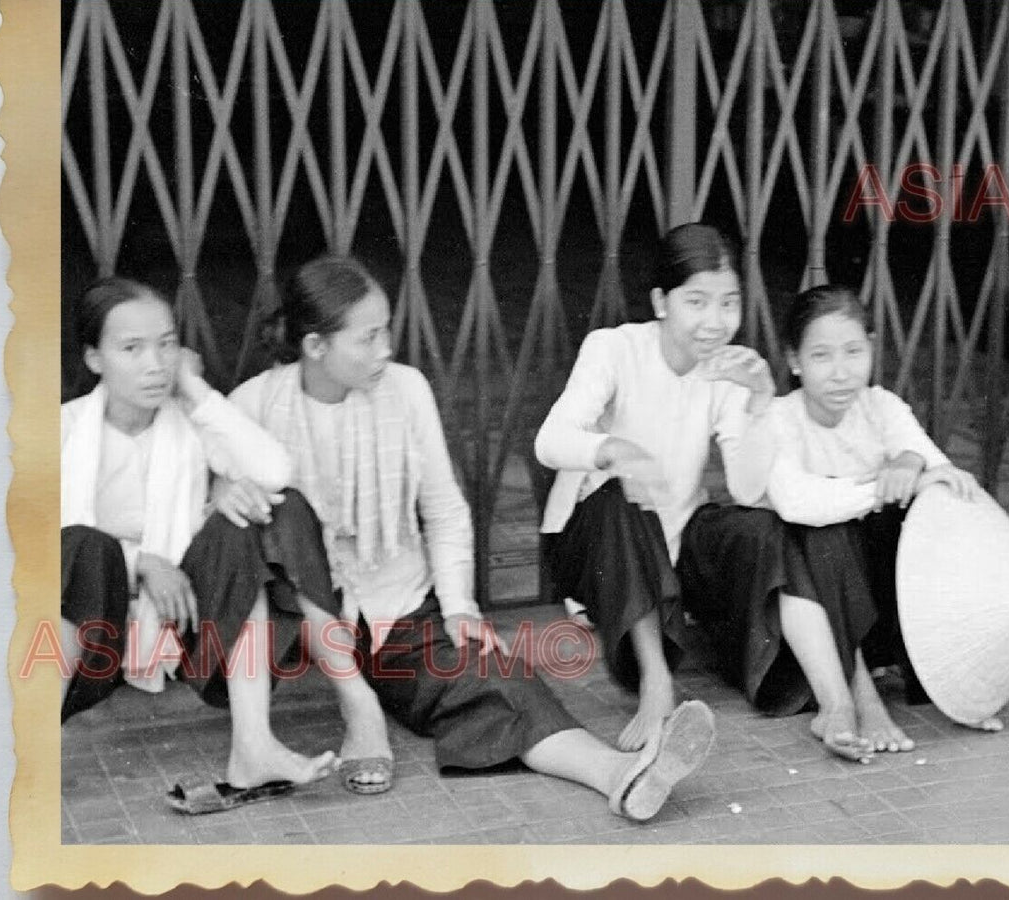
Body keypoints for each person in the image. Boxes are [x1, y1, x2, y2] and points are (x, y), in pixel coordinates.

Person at [230, 255, 713, 821]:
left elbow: (444, 509)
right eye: (369, 337)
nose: (387, 348)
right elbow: (233, 541)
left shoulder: (405, 390)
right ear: (316, 346)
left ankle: (620, 775)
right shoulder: (254, 406)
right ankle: (359, 709)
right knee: (284, 516)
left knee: (495, 672)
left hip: (396, 609)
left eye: (387, 329)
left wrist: (459, 608)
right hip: (306, 627)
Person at [60, 276, 342, 814]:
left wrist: (193, 390)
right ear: (95, 359)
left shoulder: (191, 424)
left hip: (184, 625)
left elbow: (277, 472)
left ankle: (253, 747)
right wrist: (142, 563)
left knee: (249, 518)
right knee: (78, 546)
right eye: (132, 348)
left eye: (167, 344)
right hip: (91, 639)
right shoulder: (63, 433)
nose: (154, 364)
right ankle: (21, 753)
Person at [536, 223, 800, 753]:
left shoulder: (729, 370)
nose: (715, 321)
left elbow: (748, 489)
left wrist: (759, 401)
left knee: (758, 527)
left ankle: (756, 670)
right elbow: (550, 440)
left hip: (675, 547)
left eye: (728, 303)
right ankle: (656, 681)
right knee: (622, 496)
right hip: (598, 544)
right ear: (661, 301)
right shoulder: (614, 348)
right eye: (696, 301)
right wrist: (611, 451)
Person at [754, 284, 990, 758]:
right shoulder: (778, 418)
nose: (840, 373)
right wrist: (886, 483)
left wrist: (911, 464)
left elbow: (946, 477)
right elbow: (799, 503)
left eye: (853, 352)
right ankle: (860, 695)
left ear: (871, 348)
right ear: (794, 360)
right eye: (821, 356)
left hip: (874, 603)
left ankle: (956, 678)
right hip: (805, 611)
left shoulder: (881, 408)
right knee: (823, 531)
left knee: (910, 517)